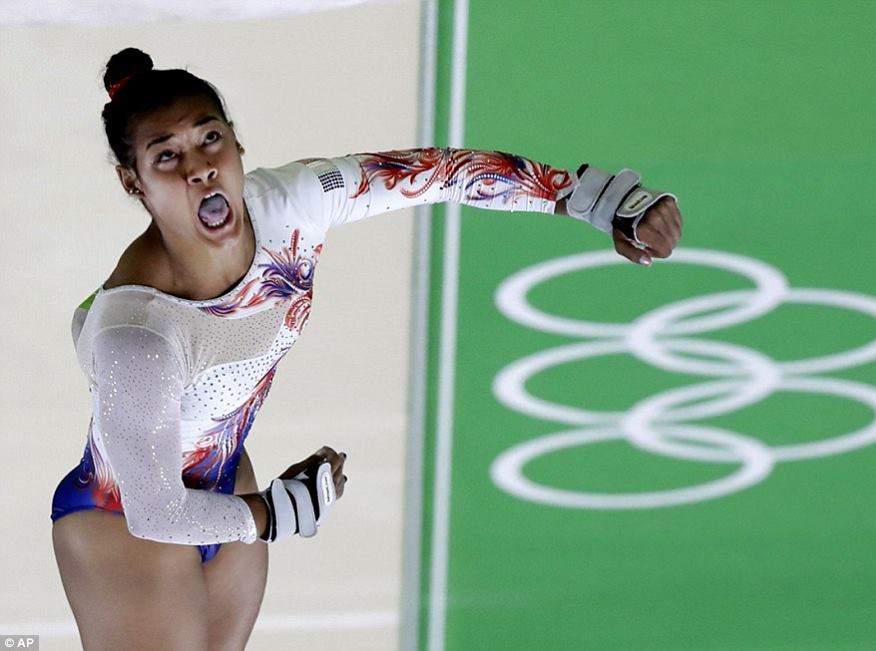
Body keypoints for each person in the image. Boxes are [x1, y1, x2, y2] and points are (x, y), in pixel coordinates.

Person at [49, 47, 683, 650]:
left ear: (236, 140)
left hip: (229, 483)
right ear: (133, 183)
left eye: (209, 137)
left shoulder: (295, 202)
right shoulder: (138, 334)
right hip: (125, 526)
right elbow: (155, 511)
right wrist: (274, 514)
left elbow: (441, 174)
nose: (199, 168)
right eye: (166, 156)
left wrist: (592, 201)